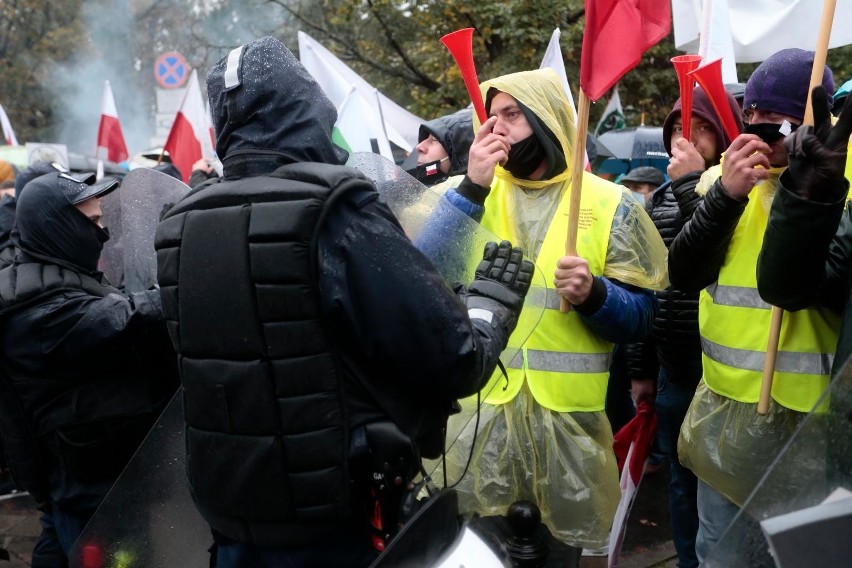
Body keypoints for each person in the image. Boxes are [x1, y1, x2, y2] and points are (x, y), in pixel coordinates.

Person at [153, 36, 534, 567]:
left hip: (230, 509)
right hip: (329, 520)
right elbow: (453, 357)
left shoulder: (178, 223)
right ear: (307, 109)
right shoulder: (335, 209)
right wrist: (490, 306)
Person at [429, 68, 668, 560]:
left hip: (569, 435)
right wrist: (472, 188)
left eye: (512, 115)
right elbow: (420, 275)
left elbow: (644, 318)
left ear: (548, 120)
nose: (498, 128)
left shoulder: (611, 204)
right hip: (478, 431)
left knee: (558, 558)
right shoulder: (463, 193)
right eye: (491, 117)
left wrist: (595, 296)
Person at [668, 48, 838, 563]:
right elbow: (684, 274)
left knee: (806, 556)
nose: (761, 129)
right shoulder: (718, 179)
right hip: (727, 414)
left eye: (777, 117)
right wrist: (726, 195)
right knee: (723, 556)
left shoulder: (841, 184)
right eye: (753, 115)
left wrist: (810, 194)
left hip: (814, 425)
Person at [0, 171, 179, 557]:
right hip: (86, 482)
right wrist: (183, 288)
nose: (103, 234)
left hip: (95, 467)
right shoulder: (36, 310)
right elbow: (121, 321)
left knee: (59, 547)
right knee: (119, 558)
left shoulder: (49, 268)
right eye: (94, 222)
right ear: (58, 226)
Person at [623, 85, 743, 568]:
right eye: (677, 128)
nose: (684, 138)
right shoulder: (659, 204)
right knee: (681, 480)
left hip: (724, 375)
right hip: (674, 374)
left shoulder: (740, 194)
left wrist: (696, 184)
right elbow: (644, 289)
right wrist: (640, 368)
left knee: (724, 488)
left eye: (699, 127)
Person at [408, 108, 474, 187]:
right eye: (426, 139)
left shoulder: (472, 195)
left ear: (461, 150)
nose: (419, 147)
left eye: (434, 139)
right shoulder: (411, 184)